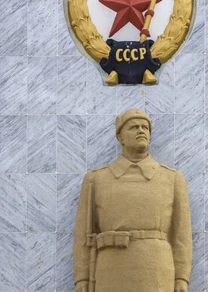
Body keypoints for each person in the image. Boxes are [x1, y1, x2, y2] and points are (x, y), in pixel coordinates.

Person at [73, 108, 192, 292]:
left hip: (156, 269)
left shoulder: (172, 178)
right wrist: (81, 278)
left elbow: (181, 234)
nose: (141, 131)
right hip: (110, 270)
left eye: (145, 127)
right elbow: (83, 233)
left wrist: (181, 277)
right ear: (120, 137)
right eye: (134, 127)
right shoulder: (96, 179)